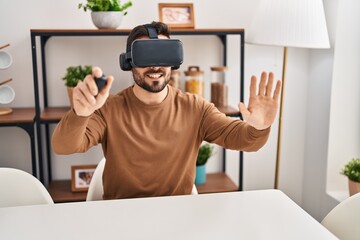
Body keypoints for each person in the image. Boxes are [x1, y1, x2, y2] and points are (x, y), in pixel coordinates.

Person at [52, 21, 281, 200]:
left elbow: (243, 140)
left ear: (174, 61)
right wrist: (79, 114)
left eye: (163, 55)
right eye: (146, 56)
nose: (155, 66)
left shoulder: (195, 107)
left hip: (178, 215)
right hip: (121, 215)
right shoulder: (108, 109)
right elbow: (63, 146)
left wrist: (259, 126)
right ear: (129, 62)